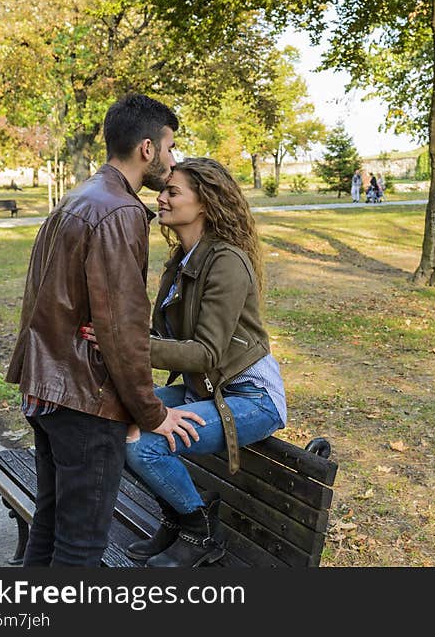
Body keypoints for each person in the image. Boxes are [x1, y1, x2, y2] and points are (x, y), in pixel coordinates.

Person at [5, 94, 203, 567]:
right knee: (81, 545)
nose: (172, 160)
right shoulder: (120, 211)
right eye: (170, 148)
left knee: (50, 527)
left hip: (48, 391)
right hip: (84, 400)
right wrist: (152, 414)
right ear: (148, 149)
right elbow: (120, 330)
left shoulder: (78, 197)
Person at [82, 157, 287, 567]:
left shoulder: (226, 262)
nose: (160, 198)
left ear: (205, 204)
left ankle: (200, 532)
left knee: (146, 446)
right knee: (114, 418)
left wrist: (125, 344)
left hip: (251, 397)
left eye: (173, 192)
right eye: (163, 191)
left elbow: (206, 353)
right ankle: (178, 519)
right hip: (205, 389)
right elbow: (164, 338)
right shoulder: (182, 261)